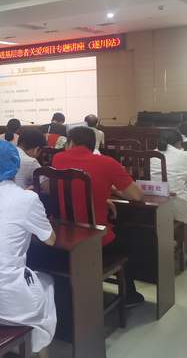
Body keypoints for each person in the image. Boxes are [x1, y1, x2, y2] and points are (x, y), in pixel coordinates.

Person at [0, 139, 56, 353]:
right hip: (9, 305)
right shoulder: (27, 199)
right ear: (15, 163)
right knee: (47, 283)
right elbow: (50, 239)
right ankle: (38, 348)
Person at [52, 126, 146, 305]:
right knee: (132, 242)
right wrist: (110, 190)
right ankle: (130, 296)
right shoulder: (107, 163)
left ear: (70, 142)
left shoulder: (58, 159)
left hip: (64, 235)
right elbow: (137, 195)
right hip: (96, 239)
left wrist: (103, 193)